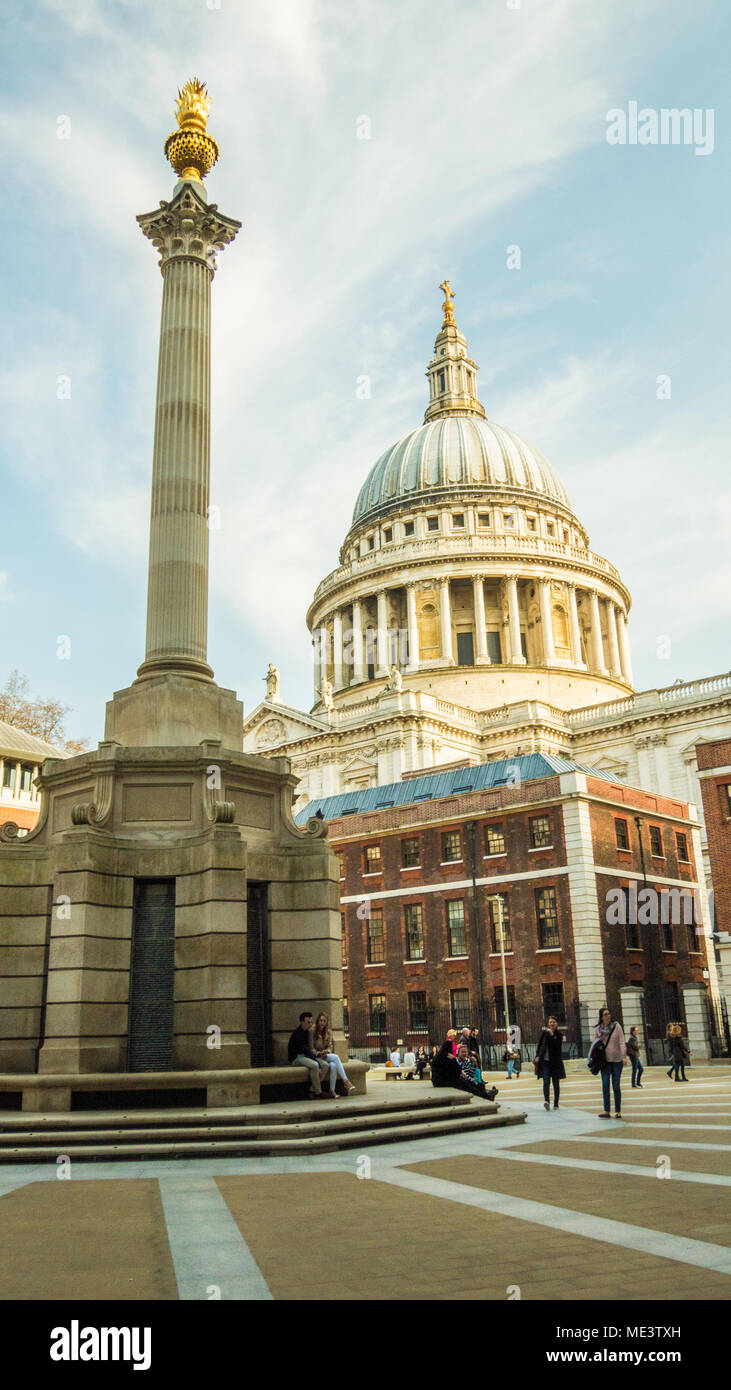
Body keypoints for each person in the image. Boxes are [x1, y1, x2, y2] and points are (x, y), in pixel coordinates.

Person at [590, 1007, 627, 1118]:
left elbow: (621, 1042)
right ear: (601, 1017)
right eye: (605, 1014)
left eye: (609, 1013)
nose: (608, 1016)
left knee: (616, 1085)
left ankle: (618, 1111)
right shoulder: (598, 1029)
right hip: (604, 1061)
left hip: (616, 1060)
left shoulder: (617, 1026)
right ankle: (606, 1110)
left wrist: (623, 1056)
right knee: (605, 1085)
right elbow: (595, 1044)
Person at [431, 1040, 498, 1101]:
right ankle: (486, 1095)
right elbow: (457, 1070)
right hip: (443, 1082)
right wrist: (454, 1059)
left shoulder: (439, 1056)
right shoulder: (448, 1057)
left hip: (441, 1081)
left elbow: (456, 1071)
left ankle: (486, 1092)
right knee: (467, 1085)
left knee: (467, 1082)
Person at [287, 1011, 330, 1098]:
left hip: (306, 1057)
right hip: (296, 1058)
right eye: (308, 1022)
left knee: (325, 1065)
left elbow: (309, 1050)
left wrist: (318, 1056)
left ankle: (312, 1089)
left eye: (311, 1022)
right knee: (315, 1065)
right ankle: (318, 1093)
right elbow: (305, 1050)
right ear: (302, 1022)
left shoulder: (307, 1032)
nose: (310, 1024)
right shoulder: (297, 1034)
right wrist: (317, 1061)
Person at [312, 1013, 356, 1096]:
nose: (322, 1022)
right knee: (336, 1057)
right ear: (318, 1021)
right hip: (316, 1057)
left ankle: (332, 1090)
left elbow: (330, 1046)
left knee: (333, 1065)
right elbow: (311, 1048)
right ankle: (346, 1081)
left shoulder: (328, 1032)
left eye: (324, 1021)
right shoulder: (313, 1032)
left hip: (324, 1055)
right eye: (321, 1020)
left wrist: (327, 1051)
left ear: (326, 1023)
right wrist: (318, 1053)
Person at [535, 1016, 566, 1110]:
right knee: (546, 1081)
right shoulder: (544, 1033)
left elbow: (557, 1047)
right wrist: (537, 1056)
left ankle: (556, 1103)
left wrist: (553, 1035)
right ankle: (547, 1101)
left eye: (553, 1022)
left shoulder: (559, 1035)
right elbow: (540, 1045)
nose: (551, 1024)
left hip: (555, 1063)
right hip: (545, 1062)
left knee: (556, 1083)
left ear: (557, 1023)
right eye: (550, 1022)